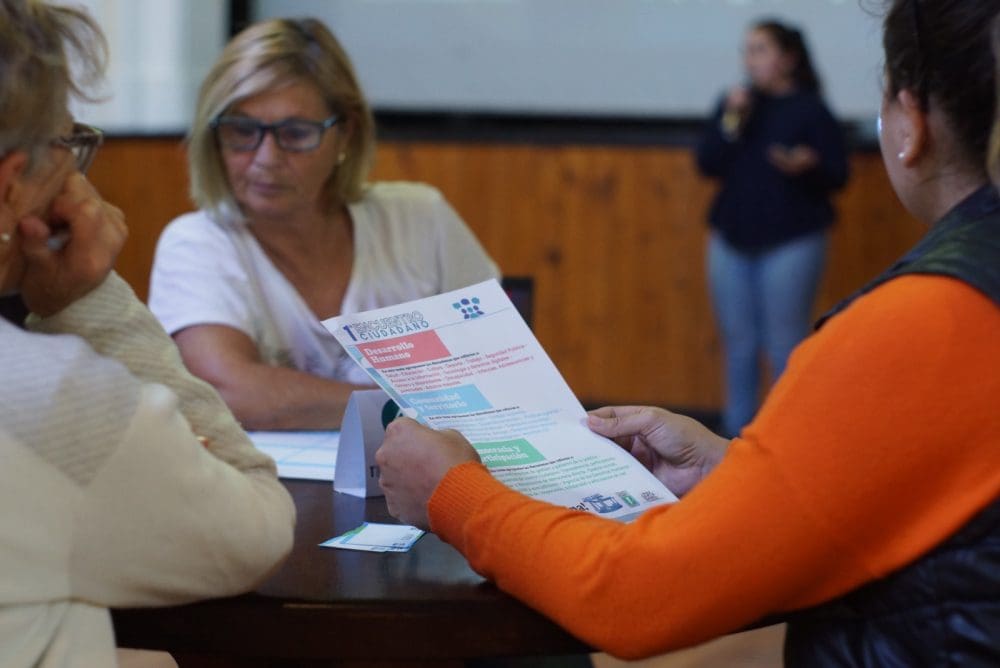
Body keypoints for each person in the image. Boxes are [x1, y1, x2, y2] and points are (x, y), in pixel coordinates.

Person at [376, 1, 1000, 664]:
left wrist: (453, 494)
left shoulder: (926, 321)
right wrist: (744, 473)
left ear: (911, 123)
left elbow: (634, 597)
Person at [0, 1, 295, 665]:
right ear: (13, 183)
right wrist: (89, 298)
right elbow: (256, 527)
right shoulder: (48, 402)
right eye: (67, 147)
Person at [148, 18, 499, 431]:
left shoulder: (421, 219)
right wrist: (419, 406)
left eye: (295, 133)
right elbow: (230, 391)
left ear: (345, 134)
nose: (266, 158)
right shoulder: (195, 242)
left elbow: (500, 370)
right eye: (242, 130)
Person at [695, 20, 849, 437]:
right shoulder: (736, 105)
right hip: (731, 239)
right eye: (747, 50)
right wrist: (733, 119)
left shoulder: (810, 109)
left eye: (760, 49)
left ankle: (784, 440)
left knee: (785, 345)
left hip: (792, 241)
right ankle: (733, 441)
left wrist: (808, 165)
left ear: (788, 58)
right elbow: (708, 162)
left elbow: (838, 174)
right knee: (739, 346)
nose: (750, 59)